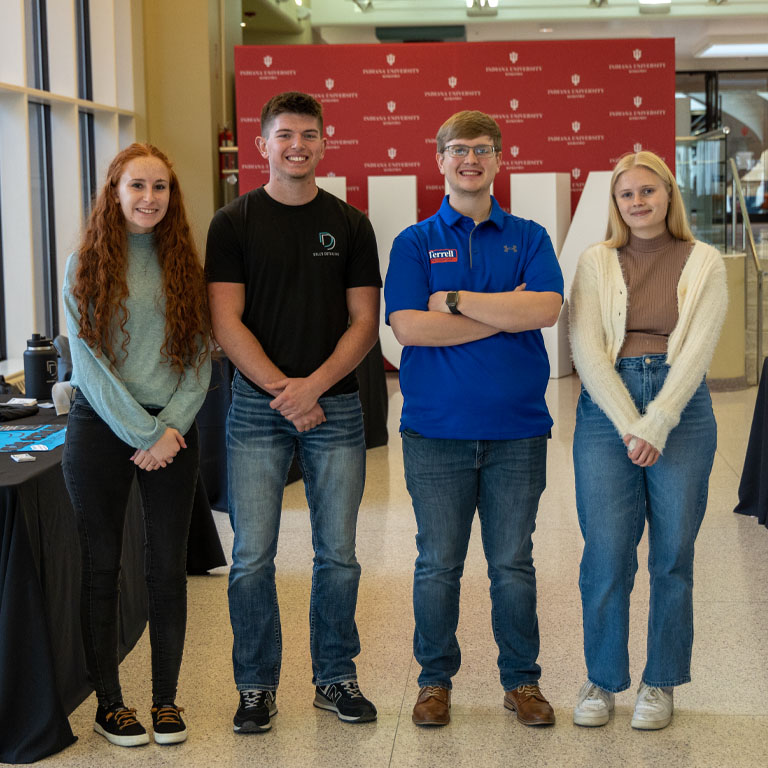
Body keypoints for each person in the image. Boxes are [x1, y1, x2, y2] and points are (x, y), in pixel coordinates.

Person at [205, 91, 381, 733]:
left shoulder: (351, 224)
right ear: (262, 145)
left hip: (335, 409)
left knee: (338, 554)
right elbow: (226, 321)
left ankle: (334, 678)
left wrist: (316, 388)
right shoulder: (233, 223)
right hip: (257, 410)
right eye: (284, 135)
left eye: (308, 134)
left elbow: (364, 325)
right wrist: (286, 390)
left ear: (324, 143)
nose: (297, 145)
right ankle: (255, 688)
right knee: (252, 557)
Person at [384, 110, 563, 728]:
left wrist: (456, 302)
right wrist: (501, 311)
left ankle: (522, 682)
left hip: (518, 429)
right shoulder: (413, 242)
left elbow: (543, 309)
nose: (470, 160)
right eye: (458, 149)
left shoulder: (530, 235)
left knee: (512, 562)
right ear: (439, 159)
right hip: (435, 432)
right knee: (438, 563)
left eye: (482, 149)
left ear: (498, 158)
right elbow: (409, 326)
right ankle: (434, 683)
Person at [569, 151, 727, 730]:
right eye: (625, 194)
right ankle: (602, 680)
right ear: (614, 204)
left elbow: (697, 350)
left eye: (647, 191)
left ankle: (659, 682)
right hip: (606, 408)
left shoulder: (704, 260)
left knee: (672, 556)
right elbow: (586, 350)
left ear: (669, 195)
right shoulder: (596, 261)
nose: (637, 202)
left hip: (682, 409)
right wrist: (629, 422)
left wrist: (657, 423)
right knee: (606, 555)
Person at [62, 143, 211, 747]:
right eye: (137, 187)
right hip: (103, 429)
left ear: (171, 196)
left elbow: (201, 355)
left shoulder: (185, 264)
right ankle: (109, 705)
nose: (149, 199)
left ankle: (166, 702)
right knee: (101, 569)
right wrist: (145, 433)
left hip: (173, 431)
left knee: (166, 571)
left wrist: (169, 428)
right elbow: (89, 363)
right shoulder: (85, 262)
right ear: (114, 192)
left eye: (160, 188)